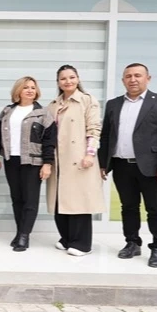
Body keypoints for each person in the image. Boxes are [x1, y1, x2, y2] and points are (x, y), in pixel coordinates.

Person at [99, 63, 157, 268]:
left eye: (137, 75)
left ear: (148, 78)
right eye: (128, 76)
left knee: (156, 209)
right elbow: (106, 136)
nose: (133, 79)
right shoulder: (113, 104)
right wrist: (102, 164)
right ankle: (132, 243)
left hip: (152, 168)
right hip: (121, 166)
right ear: (123, 80)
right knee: (128, 207)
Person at [0, 77, 57, 252]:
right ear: (18, 91)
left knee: (30, 200)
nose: (30, 90)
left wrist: (47, 163)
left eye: (33, 88)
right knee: (17, 199)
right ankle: (20, 231)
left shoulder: (43, 113)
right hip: (11, 160)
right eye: (26, 87)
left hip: (33, 161)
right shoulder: (7, 111)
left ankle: (24, 236)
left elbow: (49, 140)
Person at [46, 65, 104, 256]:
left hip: (79, 158)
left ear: (78, 79)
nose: (68, 81)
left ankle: (82, 244)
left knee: (79, 202)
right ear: (58, 82)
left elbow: (94, 129)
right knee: (60, 201)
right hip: (58, 160)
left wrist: (90, 154)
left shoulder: (87, 100)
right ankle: (66, 238)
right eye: (63, 78)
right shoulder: (53, 105)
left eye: (71, 77)